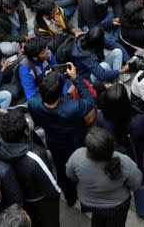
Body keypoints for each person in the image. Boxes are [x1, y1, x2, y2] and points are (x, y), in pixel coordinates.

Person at [27, 63, 96, 206]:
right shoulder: (73, 107)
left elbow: (37, 121)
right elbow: (89, 99)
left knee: (62, 172)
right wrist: (76, 79)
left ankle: (70, 198)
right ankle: (86, 199)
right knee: (82, 169)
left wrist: (48, 82)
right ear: (60, 93)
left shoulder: (33, 103)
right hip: (76, 142)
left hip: (54, 142)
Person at [0, 109, 62, 226]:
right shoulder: (35, 157)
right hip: (37, 198)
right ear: (26, 131)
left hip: (19, 195)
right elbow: (53, 189)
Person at [65, 126, 142, 226]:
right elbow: (136, 184)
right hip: (118, 205)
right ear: (112, 146)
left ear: (88, 150)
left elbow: (70, 175)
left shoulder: (77, 156)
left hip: (88, 202)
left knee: (97, 219)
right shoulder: (124, 162)